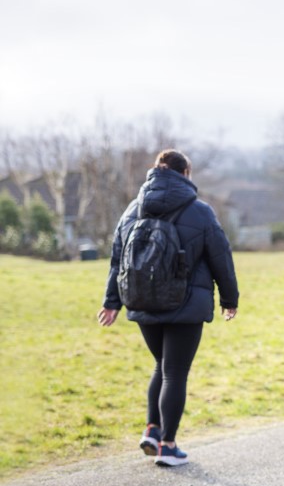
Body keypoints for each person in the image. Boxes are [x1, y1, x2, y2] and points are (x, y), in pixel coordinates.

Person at [97, 149, 239, 467]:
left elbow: (118, 258)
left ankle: (152, 429)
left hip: (142, 301)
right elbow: (221, 257)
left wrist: (112, 302)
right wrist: (229, 299)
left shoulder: (133, 209)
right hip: (184, 305)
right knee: (174, 371)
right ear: (185, 174)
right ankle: (168, 446)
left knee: (161, 365)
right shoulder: (200, 211)